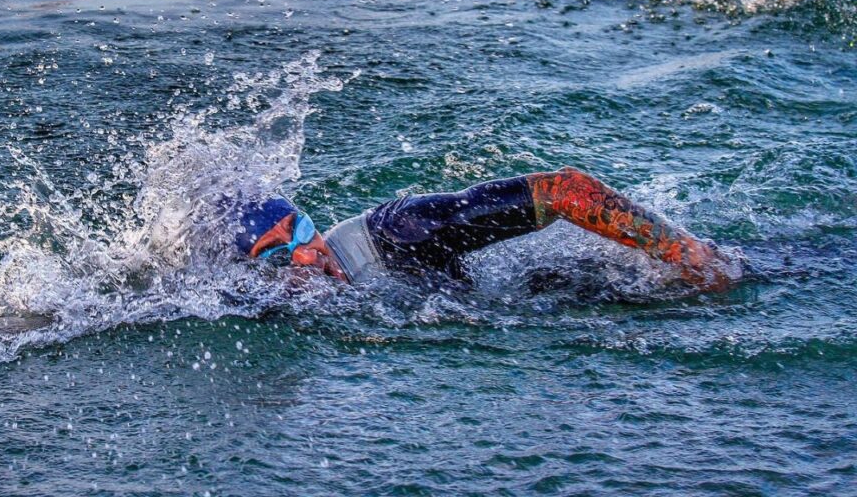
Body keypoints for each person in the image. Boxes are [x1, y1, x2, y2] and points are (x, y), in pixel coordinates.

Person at [235, 167, 735, 290]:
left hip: (580, 293)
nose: (308, 254)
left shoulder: (399, 232)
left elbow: (564, 189)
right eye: (280, 255)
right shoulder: (256, 303)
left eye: (302, 229)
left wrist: (690, 257)